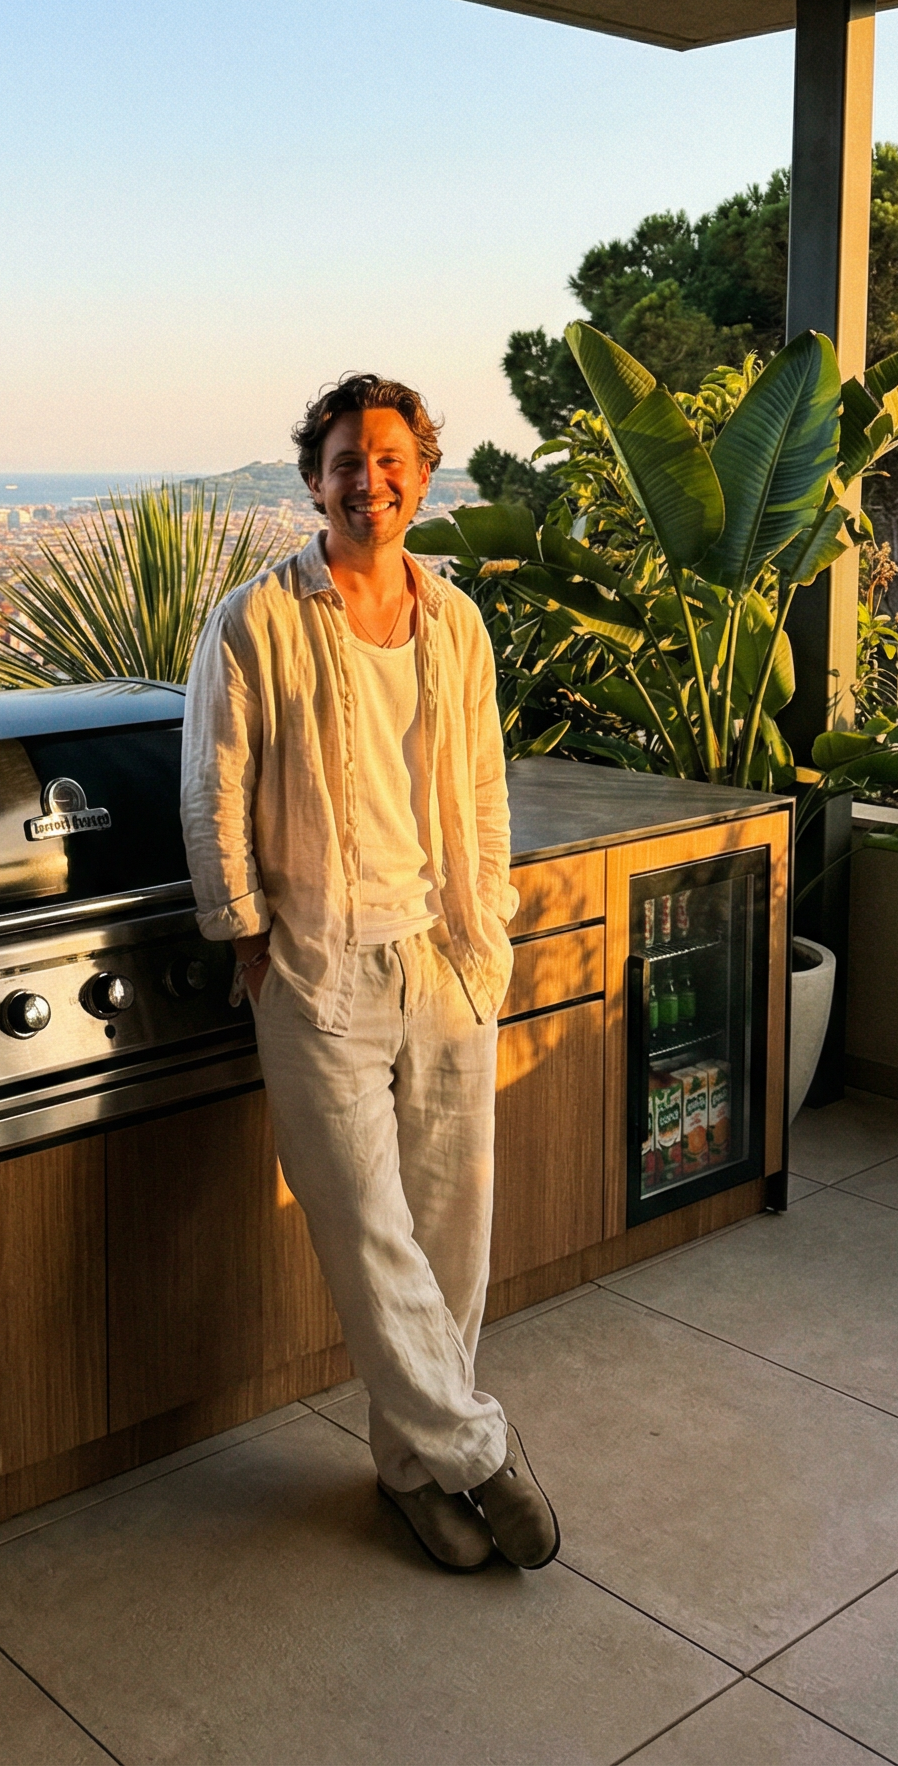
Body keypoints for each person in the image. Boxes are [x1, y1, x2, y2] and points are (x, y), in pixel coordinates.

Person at [180, 371, 560, 1572]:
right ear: (314, 479)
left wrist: (486, 920)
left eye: (391, 458)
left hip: (444, 953)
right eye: (347, 458)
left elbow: (487, 791)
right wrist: (249, 936)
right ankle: (480, 1450)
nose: (369, 478)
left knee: (451, 1227)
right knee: (365, 1229)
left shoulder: (455, 622)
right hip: (317, 966)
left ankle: (411, 1472)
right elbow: (212, 787)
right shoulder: (257, 619)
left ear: (420, 475)